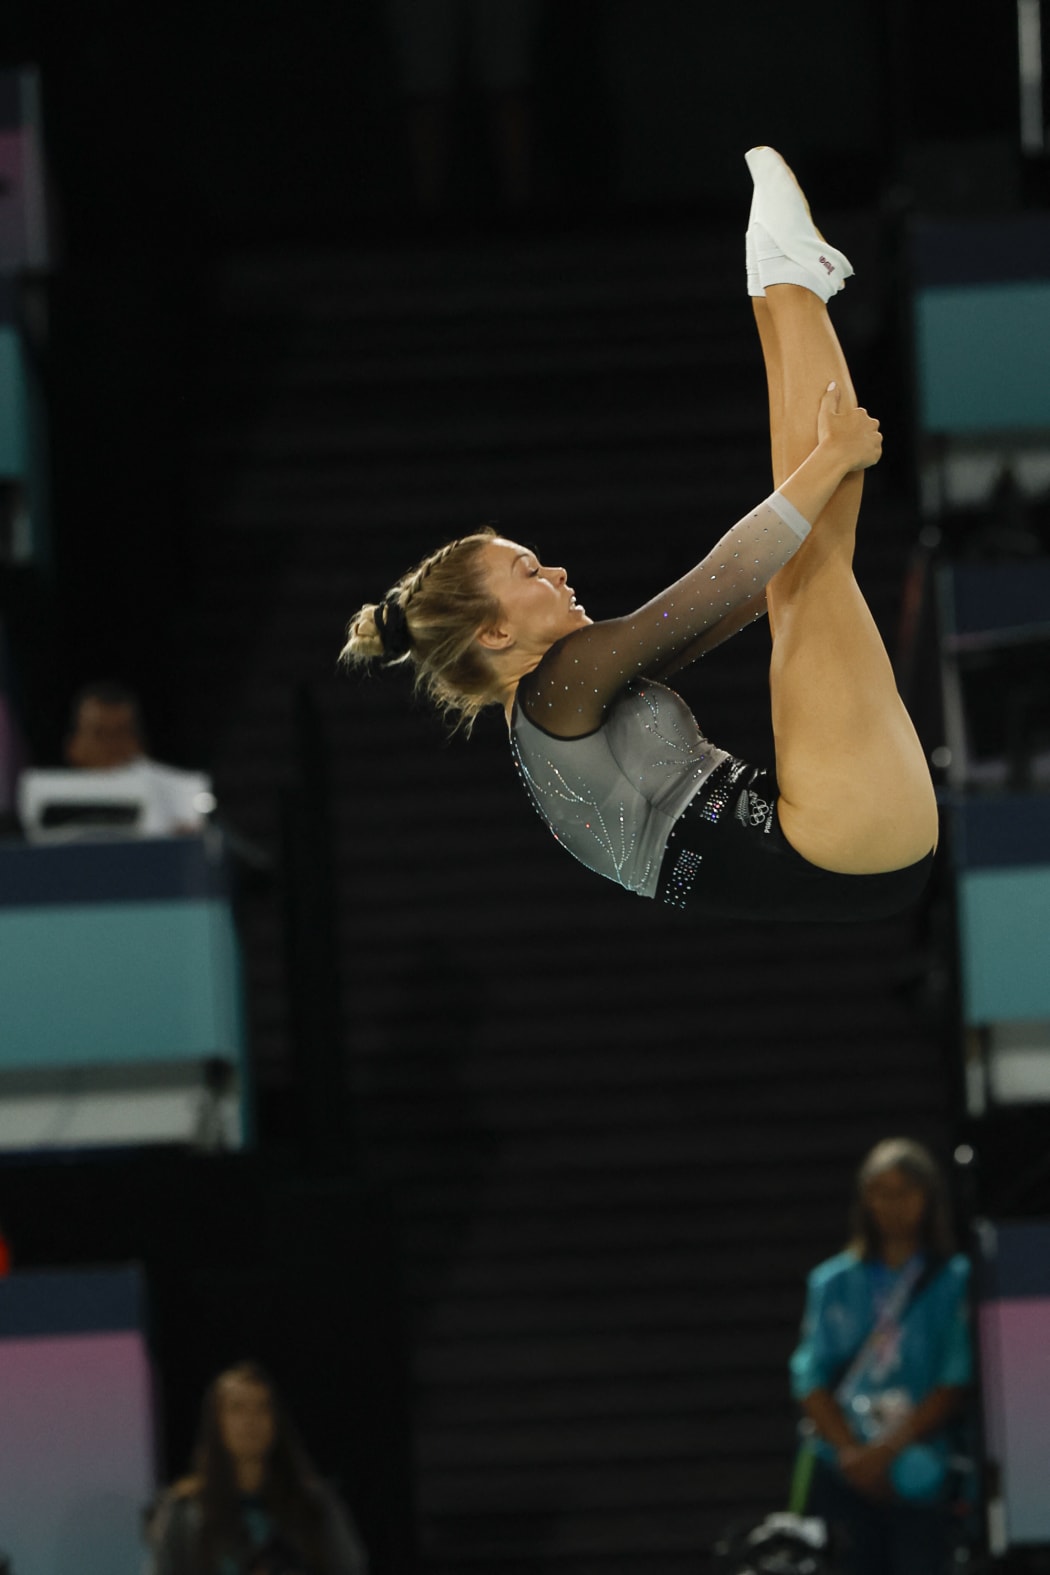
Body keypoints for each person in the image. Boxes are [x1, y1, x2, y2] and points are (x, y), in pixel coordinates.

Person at [341, 147, 939, 922]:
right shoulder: (555, 688)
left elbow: (738, 592)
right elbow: (717, 584)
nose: (554, 571)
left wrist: (823, 473)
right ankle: (787, 284)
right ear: (493, 630)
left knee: (801, 570)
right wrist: (829, 462)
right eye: (527, 572)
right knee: (808, 572)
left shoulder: (559, 706)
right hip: (836, 838)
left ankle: (781, 287)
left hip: (839, 840)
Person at [790, 1139, 972, 1575]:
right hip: (842, 1468)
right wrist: (854, 1454)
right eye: (881, 1192)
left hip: (918, 1468)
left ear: (929, 1198)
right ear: (864, 1198)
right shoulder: (832, 1281)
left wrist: (887, 1452)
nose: (893, 1205)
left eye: (906, 1192)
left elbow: (955, 1379)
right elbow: (808, 1375)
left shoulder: (955, 1279)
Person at [146, 1361, 368, 1575]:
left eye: (262, 1408)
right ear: (217, 1422)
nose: (250, 1420)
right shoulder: (184, 1512)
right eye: (237, 1409)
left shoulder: (315, 1506)